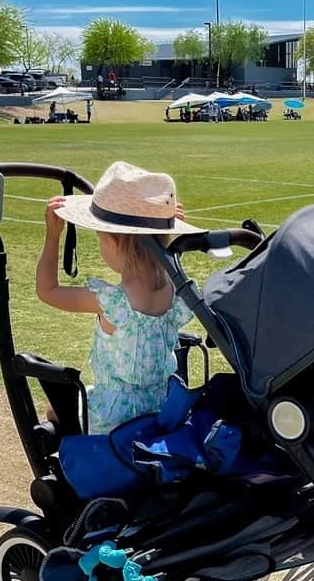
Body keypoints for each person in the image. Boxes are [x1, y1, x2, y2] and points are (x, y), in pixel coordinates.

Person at [36, 161, 203, 435]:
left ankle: (76, 466)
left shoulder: (111, 302)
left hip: (114, 419)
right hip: (161, 410)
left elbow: (48, 290)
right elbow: (159, 258)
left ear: (112, 242)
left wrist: (53, 236)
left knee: (55, 411)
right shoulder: (174, 293)